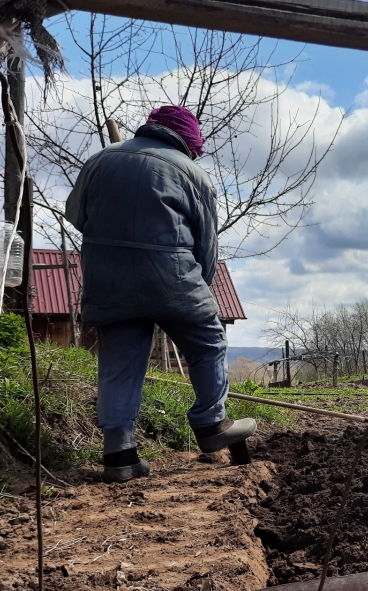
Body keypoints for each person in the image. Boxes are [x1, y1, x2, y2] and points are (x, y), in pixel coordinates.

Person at [65, 105, 255, 483]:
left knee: (119, 361)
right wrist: (198, 287)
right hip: (173, 276)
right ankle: (211, 424)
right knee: (208, 341)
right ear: (187, 141)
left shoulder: (99, 161)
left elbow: (76, 215)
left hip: (109, 279)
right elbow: (206, 246)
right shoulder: (193, 174)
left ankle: (119, 455)